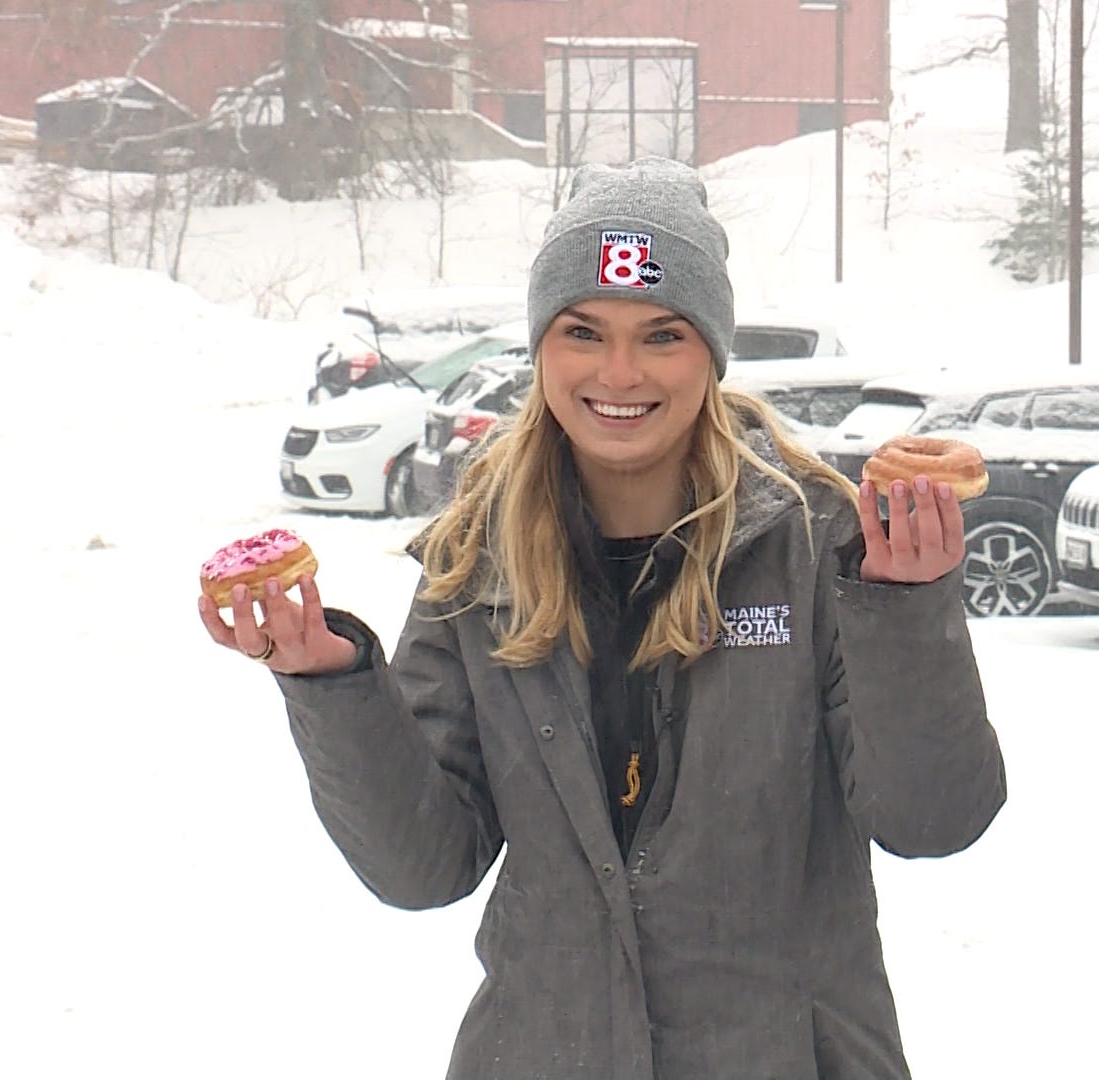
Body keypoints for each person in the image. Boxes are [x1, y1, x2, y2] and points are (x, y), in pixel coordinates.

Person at [197, 157, 1006, 1080]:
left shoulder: (815, 544)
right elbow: (425, 865)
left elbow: (933, 819)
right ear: (543, 346)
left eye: (662, 335)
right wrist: (328, 682)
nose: (619, 372)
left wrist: (905, 614)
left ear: (711, 351)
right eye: (583, 331)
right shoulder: (476, 561)